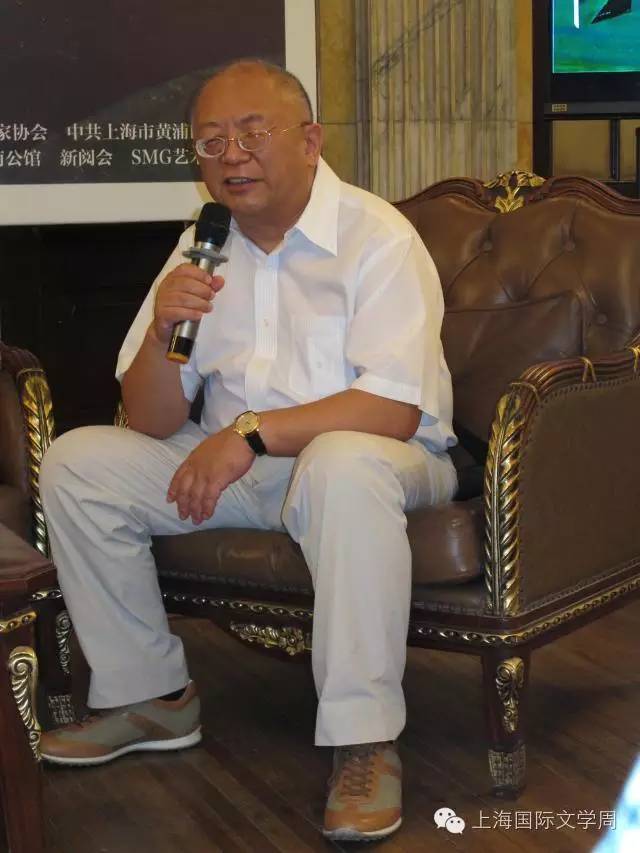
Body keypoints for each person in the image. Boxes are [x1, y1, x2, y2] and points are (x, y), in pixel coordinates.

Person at [39, 58, 457, 842]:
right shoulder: (200, 247)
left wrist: (248, 433)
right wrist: (162, 331)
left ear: (310, 141)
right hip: (241, 466)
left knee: (341, 463)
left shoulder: (376, 238)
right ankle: (151, 697)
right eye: (211, 142)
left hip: (381, 463)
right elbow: (150, 419)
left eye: (252, 134)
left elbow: (394, 408)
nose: (232, 155)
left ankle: (365, 740)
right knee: (77, 463)